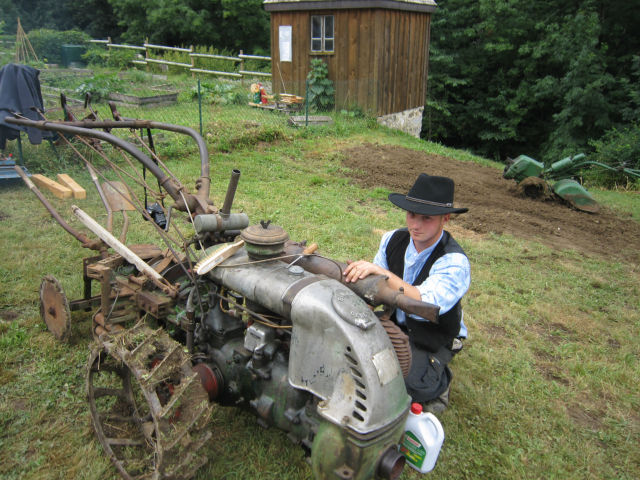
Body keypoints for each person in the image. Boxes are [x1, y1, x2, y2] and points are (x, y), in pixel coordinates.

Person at [343, 174, 470, 413]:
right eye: (411, 214)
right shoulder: (392, 239)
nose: (415, 225)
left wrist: (382, 273)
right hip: (395, 322)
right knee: (351, 358)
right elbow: (375, 286)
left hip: (432, 335)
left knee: (405, 386)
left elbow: (425, 307)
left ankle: (438, 378)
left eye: (426, 218)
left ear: (446, 218)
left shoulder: (454, 262)